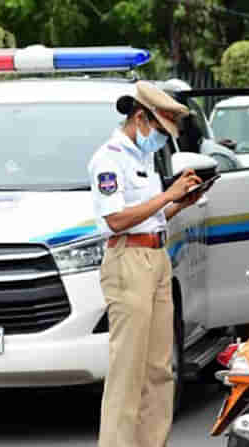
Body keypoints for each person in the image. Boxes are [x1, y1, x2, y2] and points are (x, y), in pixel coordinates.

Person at [88, 81, 203, 447]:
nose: (162, 140)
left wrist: (179, 203)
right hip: (128, 259)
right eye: (160, 131)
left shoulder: (142, 158)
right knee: (128, 370)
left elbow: (151, 216)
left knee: (159, 369)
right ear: (141, 118)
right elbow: (117, 220)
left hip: (156, 257)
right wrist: (168, 194)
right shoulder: (108, 158)